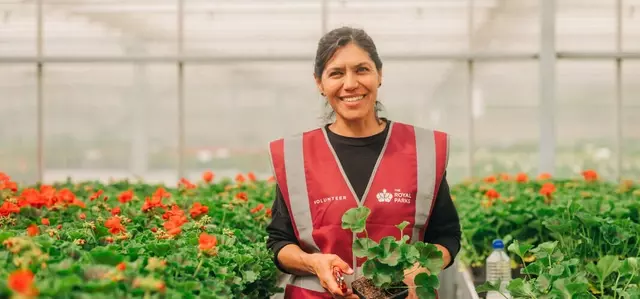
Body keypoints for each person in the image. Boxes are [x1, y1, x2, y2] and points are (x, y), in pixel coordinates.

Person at [266, 26, 461, 299]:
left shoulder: (422, 149)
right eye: (336, 73)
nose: (350, 84)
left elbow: (447, 236)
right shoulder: (296, 154)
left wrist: (423, 269)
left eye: (361, 70)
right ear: (319, 83)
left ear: (379, 74)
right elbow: (279, 241)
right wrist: (312, 262)